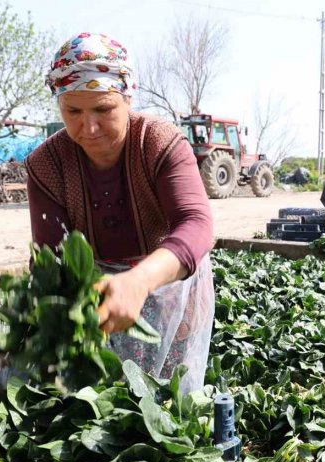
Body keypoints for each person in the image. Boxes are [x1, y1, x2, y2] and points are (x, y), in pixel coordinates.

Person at [25, 32, 215, 392]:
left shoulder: (158, 142)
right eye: (73, 112)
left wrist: (137, 281)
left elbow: (196, 224)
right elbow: (50, 258)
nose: (89, 127)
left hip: (169, 285)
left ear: (128, 98)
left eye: (103, 109)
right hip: (98, 299)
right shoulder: (47, 164)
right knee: (106, 399)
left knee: (169, 399)